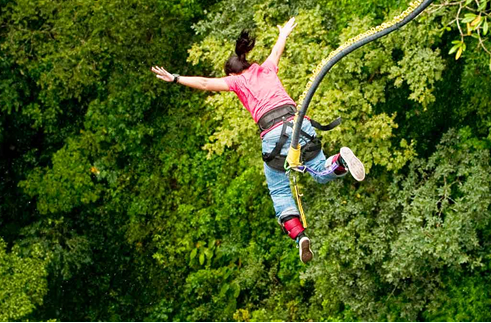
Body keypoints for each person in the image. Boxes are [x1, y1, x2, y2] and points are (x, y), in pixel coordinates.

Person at [151, 17, 364, 263]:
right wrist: (283, 33)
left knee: (279, 190)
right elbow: (276, 50)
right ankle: (340, 161)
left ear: (232, 72)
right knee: (319, 169)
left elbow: (205, 83)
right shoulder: (266, 68)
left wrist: (175, 78)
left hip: (273, 135)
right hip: (299, 124)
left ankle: (300, 237)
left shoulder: (236, 81)